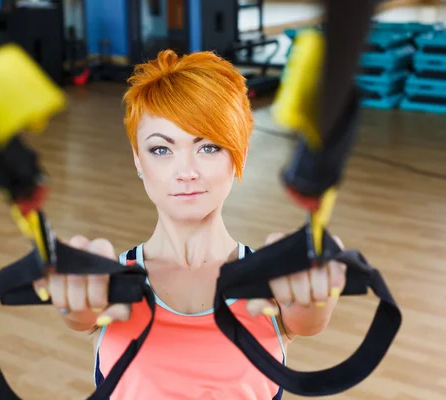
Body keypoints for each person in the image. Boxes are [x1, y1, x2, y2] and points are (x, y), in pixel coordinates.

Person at [32, 50, 347, 399]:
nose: (186, 172)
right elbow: (80, 317)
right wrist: (75, 291)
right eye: (161, 150)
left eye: (208, 147)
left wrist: (316, 288)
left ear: (238, 153)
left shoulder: (273, 283)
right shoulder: (110, 286)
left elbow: (308, 320)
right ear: (138, 159)